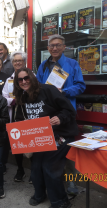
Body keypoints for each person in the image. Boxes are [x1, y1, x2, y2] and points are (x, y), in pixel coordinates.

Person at [13, 68, 78, 208]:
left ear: (32, 77)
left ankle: (60, 202)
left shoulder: (48, 90)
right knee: (36, 168)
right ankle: (40, 195)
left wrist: (60, 118)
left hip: (60, 135)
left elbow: (69, 110)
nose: (24, 81)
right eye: (20, 79)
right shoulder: (22, 98)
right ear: (17, 83)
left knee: (49, 167)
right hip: (39, 138)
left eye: (26, 78)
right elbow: (19, 120)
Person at [36, 34, 85, 195]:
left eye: (57, 45)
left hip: (65, 114)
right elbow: (37, 87)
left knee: (68, 149)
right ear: (48, 48)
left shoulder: (72, 64)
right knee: (50, 150)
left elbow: (80, 86)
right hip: (48, 115)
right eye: (51, 46)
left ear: (64, 47)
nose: (54, 48)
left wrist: (63, 91)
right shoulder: (43, 66)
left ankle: (72, 182)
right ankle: (53, 183)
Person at [1, 51, 30, 181]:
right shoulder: (9, 80)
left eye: (20, 60)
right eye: (15, 61)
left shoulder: (32, 76)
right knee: (17, 144)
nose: (17, 63)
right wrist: (14, 101)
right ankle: (20, 169)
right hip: (15, 115)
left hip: (29, 114)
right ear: (12, 63)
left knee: (32, 143)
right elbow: (4, 98)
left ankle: (34, 172)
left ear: (24, 62)